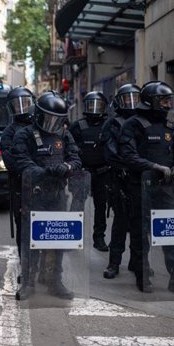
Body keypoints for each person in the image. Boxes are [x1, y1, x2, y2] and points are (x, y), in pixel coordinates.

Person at [119, 81, 174, 297]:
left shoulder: (170, 126)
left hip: (164, 189)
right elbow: (128, 156)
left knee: (171, 232)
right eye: (163, 101)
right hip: (139, 187)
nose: (167, 105)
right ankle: (142, 275)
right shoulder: (133, 124)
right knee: (140, 234)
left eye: (169, 101)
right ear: (150, 101)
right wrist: (154, 167)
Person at [11, 91, 82, 300]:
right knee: (30, 240)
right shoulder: (24, 134)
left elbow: (77, 159)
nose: (52, 123)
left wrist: (67, 167)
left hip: (58, 194)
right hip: (33, 194)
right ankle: (28, 283)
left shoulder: (64, 134)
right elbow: (22, 163)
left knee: (57, 239)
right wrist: (44, 172)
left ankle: (54, 282)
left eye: (56, 120)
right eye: (48, 118)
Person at [102, 84, 141, 279]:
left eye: (136, 98)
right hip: (121, 179)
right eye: (128, 99)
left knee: (140, 225)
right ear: (119, 101)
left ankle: (137, 262)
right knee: (120, 223)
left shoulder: (143, 122)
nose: (132, 103)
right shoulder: (113, 124)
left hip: (141, 180)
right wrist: (129, 165)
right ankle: (114, 263)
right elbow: (110, 153)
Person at [68, 91, 110, 252]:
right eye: (91, 104)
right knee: (77, 204)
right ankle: (72, 236)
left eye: (98, 105)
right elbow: (69, 148)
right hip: (82, 172)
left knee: (101, 206)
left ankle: (99, 238)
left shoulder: (108, 125)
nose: (94, 108)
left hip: (102, 172)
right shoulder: (78, 126)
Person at [0, 86, 34, 253]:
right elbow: (8, 158)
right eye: (17, 104)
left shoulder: (39, 126)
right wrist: (26, 171)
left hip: (41, 183)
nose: (22, 107)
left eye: (25, 103)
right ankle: (25, 263)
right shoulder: (9, 132)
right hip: (20, 183)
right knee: (22, 224)